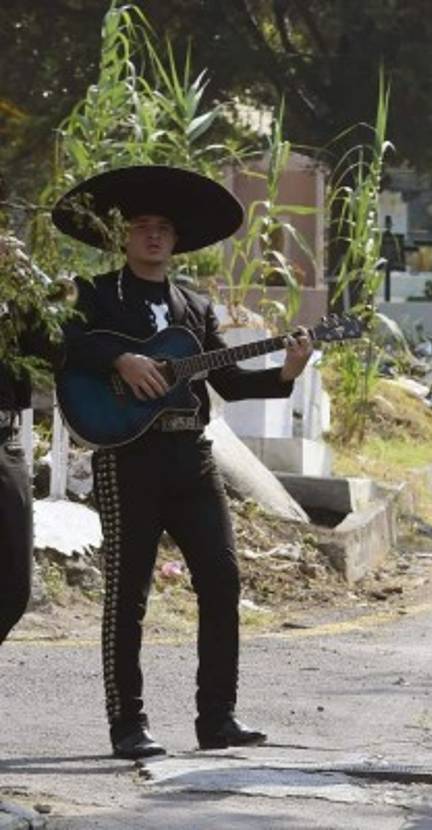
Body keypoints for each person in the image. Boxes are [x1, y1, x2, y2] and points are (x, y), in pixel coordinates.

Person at [52, 165, 314, 760]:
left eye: (163, 228)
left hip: (192, 457)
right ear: (123, 237)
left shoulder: (194, 305)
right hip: (128, 457)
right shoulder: (94, 295)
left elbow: (228, 380)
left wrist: (287, 371)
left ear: (175, 241)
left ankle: (216, 718)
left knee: (222, 579)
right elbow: (64, 343)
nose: (152, 236)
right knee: (129, 593)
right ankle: (128, 725)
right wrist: (119, 358)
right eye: (142, 226)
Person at [0, 298, 61, 645]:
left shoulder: (11, 295)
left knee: (13, 587)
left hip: (5, 440)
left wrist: (30, 300)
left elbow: (53, 356)